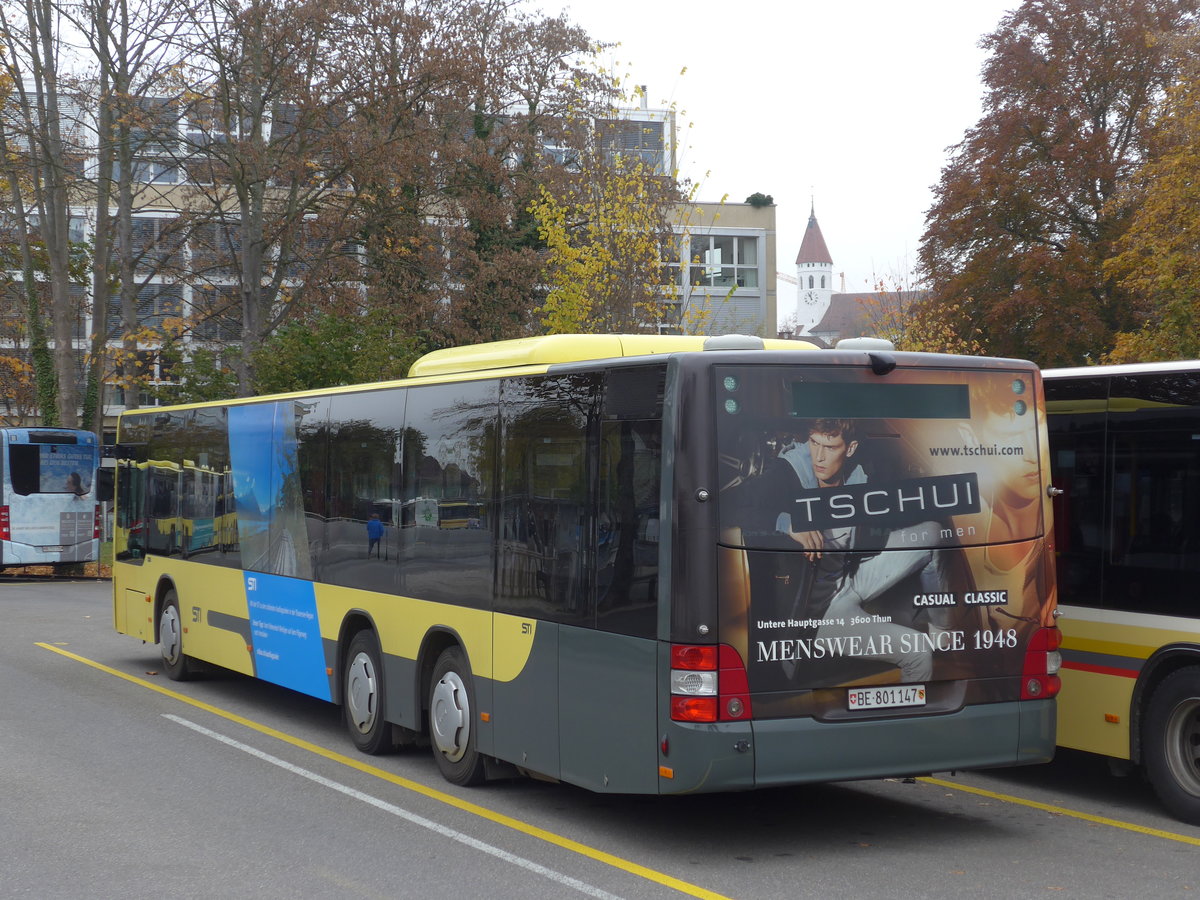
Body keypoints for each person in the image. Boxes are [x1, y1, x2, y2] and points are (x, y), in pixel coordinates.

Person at [774, 418, 939, 684]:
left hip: (851, 576)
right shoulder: (789, 473)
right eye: (814, 443)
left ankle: (945, 630)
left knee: (932, 532)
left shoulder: (858, 477)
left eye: (830, 447)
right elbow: (733, 506)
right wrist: (788, 524)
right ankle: (909, 725)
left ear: (849, 449)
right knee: (918, 650)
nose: (818, 456)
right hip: (823, 613)